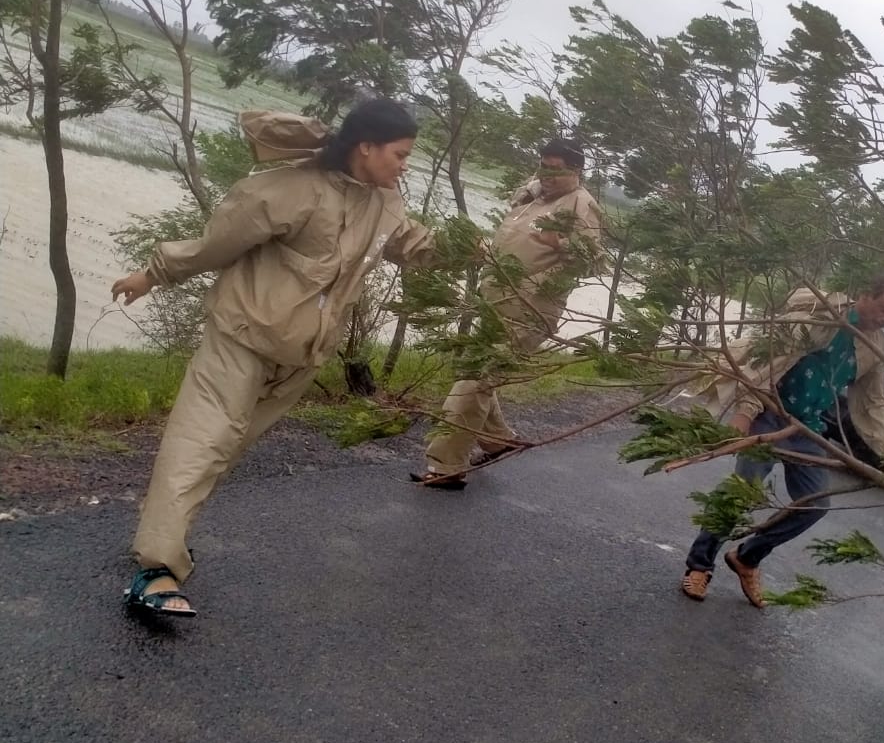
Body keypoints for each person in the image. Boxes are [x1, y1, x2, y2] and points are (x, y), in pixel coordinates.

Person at [112, 99, 456, 617]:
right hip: (242, 338)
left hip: (303, 356)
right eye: (400, 154)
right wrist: (153, 274)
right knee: (200, 443)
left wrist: (470, 250)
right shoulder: (292, 190)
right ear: (366, 147)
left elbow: (404, 241)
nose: (404, 164)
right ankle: (157, 568)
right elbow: (215, 245)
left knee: (224, 451)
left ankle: (164, 532)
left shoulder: (383, 199)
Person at [679, 275, 884, 607]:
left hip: (808, 427)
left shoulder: (877, 346)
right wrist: (746, 410)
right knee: (742, 492)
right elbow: (773, 360)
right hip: (770, 411)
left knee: (814, 504)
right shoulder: (822, 315)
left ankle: (747, 558)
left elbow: (872, 404)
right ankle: (699, 565)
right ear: (864, 294)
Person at [412, 139, 603, 490]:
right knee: (480, 375)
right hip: (495, 301)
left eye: (554, 168)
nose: (545, 174)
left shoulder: (581, 203)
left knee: (476, 378)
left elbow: (592, 261)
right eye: (542, 165)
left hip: (530, 309)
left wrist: (557, 244)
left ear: (575, 171)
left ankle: (446, 467)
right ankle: (498, 441)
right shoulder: (534, 195)